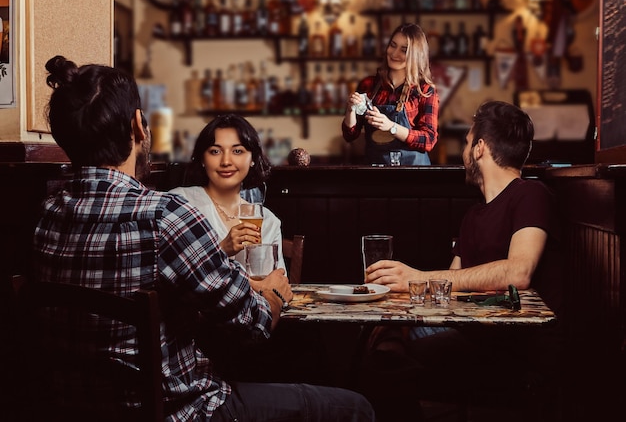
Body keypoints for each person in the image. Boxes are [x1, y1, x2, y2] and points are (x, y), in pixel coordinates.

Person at [32, 55, 376, 422]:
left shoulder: (48, 215)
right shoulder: (167, 214)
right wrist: (276, 289)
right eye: (216, 150)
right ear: (138, 126)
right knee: (354, 408)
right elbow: (253, 323)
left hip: (73, 410)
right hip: (181, 411)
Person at [360, 100, 563, 420]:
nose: (465, 151)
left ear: (480, 148)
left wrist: (417, 278)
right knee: (378, 340)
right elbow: (447, 293)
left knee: (385, 366)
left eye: (468, 143)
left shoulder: (530, 195)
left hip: (514, 348)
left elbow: (519, 272)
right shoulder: (474, 215)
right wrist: (396, 305)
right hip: (474, 335)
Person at [169, 114, 286, 275]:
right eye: (215, 151)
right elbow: (170, 274)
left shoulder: (268, 221)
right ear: (203, 158)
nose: (226, 161)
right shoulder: (179, 202)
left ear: (253, 158)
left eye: (237, 151)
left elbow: (278, 286)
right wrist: (221, 249)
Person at [342, 22, 439, 166]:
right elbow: (350, 135)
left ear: (416, 55)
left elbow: (429, 140)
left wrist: (391, 127)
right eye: (393, 45)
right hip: (376, 175)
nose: (394, 54)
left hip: (414, 177)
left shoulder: (424, 90)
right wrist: (350, 110)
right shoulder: (369, 85)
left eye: (403, 50)